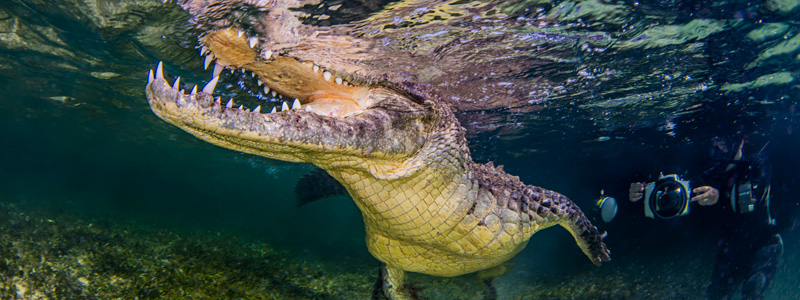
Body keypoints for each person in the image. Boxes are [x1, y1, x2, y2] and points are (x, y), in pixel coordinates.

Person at [628, 137, 783, 300]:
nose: (721, 151)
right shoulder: (715, 172)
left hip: (764, 244)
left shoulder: (757, 161)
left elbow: (750, 199)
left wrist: (719, 195)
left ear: (740, 142)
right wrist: (645, 195)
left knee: (752, 293)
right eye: (716, 145)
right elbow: (681, 194)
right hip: (732, 247)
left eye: (725, 144)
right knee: (715, 296)